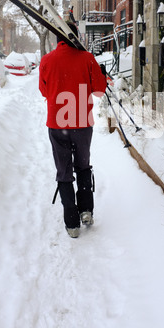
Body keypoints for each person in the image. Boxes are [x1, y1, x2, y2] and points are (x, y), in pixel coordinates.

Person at [39, 24, 107, 239]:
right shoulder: (87, 58)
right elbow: (98, 91)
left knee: (64, 171)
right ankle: (86, 210)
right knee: (83, 166)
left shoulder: (47, 60)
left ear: (56, 37)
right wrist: (99, 76)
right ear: (76, 36)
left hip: (58, 124)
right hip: (82, 123)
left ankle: (72, 223)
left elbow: (43, 90)